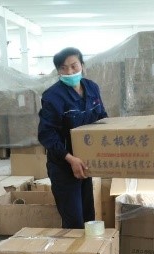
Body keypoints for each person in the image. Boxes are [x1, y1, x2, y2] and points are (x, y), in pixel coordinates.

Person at [38, 47, 108, 228]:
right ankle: (73, 247)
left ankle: (90, 247)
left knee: (89, 217)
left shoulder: (92, 88)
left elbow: (102, 120)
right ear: (58, 71)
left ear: (82, 65)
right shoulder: (52, 96)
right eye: (63, 68)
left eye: (73, 66)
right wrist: (70, 159)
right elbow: (46, 134)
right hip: (64, 166)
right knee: (74, 221)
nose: (69, 72)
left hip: (86, 163)